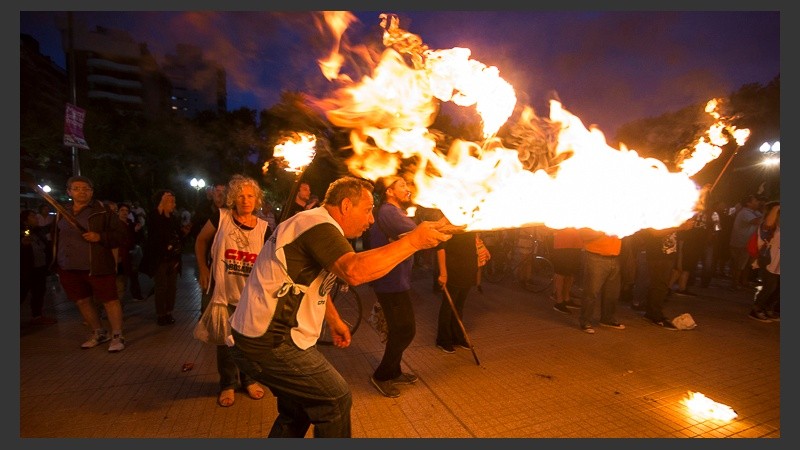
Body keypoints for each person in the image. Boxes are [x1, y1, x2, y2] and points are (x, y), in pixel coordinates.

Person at [228, 176, 457, 438]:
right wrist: (414, 241)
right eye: (368, 210)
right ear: (347, 206)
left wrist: (334, 319)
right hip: (270, 341)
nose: (371, 220)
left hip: (260, 338)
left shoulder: (314, 223)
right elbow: (354, 271)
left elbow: (305, 282)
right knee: (334, 399)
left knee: (300, 409)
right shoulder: (317, 224)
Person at [194, 175, 270, 407]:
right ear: (232, 198)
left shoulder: (265, 228)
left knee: (248, 341)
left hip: (250, 295)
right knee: (226, 342)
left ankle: (249, 379)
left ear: (257, 200)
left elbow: (271, 260)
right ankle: (227, 383)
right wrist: (203, 268)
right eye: (240, 195)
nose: (245, 200)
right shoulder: (221, 218)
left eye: (250, 196)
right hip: (222, 291)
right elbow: (200, 241)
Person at [52, 176, 127, 352]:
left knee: (110, 300)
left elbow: (121, 235)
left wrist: (100, 236)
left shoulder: (102, 212)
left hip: (97, 265)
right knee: (82, 301)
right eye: (76, 188)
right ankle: (99, 332)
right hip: (69, 266)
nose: (82, 192)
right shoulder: (61, 212)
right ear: (69, 191)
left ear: (92, 192)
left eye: (86, 188)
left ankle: (117, 335)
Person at [365, 175, 420, 398]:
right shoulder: (388, 211)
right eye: (402, 186)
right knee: (405, 330)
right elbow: (417, 231)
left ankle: (395, 371)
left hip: (398, 279)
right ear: (389, 191)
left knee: (401, 329)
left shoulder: (395, 211)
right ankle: (382, 375)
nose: (407, 189)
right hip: (389, 280)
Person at [140, 189, 191, 326]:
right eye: (168, 199)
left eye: (173, 200)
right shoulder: (154, 216)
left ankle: (169, 312)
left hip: (173, 258)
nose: (172, 202)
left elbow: (177, 235)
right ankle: (161, 314)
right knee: (161, 286)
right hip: (160, 258)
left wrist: (183, 233)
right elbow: (154, 234)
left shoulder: (173, 218)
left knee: (171, 287)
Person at [641, 218, 695, 330]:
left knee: (660, 285)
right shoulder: (656, 214)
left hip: (666, 255)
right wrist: (680, 227)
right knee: (659, 285)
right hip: (658, 256)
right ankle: (655, 315)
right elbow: (656, 233)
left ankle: (651, 313)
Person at [435, 230, 480, 354]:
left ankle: (458, 337)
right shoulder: (450, 221)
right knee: (448, 307)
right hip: (453, 270)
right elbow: (441, 248)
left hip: (468, 269)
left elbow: (474, 240)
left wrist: (482, 249)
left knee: (459, 305)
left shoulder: (469, 221)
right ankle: (443, 340)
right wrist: (443, 273)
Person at [579, 231, 625, 334]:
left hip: (615, 256)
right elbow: (584, 235)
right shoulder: (597, 218)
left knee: (612, 292)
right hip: (595, 256)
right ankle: (585, 321)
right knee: (591, 291)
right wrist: (605, 229)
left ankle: (607, 319)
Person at [21, 209, 57, 325]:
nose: (36, 218)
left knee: (39, 292)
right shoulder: (22, 232)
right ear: (25, 220)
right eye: (33, 217)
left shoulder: (38, 232)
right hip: (25, 269)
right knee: (21, 293)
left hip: (39, 268)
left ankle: (37, 316)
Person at [749, 201, 780, 322]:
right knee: (770, 286)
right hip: (768, 260)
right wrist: (777, 207)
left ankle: (768, 308)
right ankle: (756, 310)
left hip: (778, 262)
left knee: (778, 287)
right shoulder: (768, 226)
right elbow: (768, 223)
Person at [728, 194, 763, 291]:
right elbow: (757, 221)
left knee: (746, 265)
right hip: (740, 243)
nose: (758, 203)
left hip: (747, 243)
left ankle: (743, 282)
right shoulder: (745, 212)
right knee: (739, 265)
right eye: (755, 201)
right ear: (748, 203)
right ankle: (734, 284)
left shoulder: (753, 212)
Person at [550, 227, 584, 314]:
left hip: (576, 244)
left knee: (571, 273)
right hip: (562, 244)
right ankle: (559, 301)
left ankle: (566, 298)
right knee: (560, 272)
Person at [115, 203, 144, 302]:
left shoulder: (131, 223)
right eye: (122, 210)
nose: (124, 213)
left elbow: (137, 238)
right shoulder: (116, 224)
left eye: (126, 211)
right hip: (121, 255)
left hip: (132, 254)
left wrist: (137, 230)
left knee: (133, 275)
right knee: (120, 280)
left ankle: (136, 295)